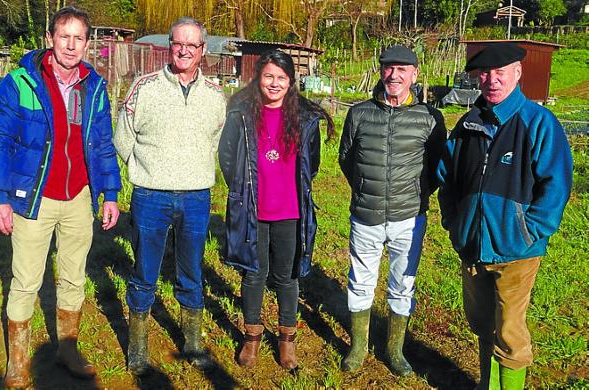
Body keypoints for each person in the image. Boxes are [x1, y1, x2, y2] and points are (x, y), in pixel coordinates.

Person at [0, 6, 121, 387]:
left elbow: (103, 144)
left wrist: (109, 192)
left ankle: (68, 348)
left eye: (79, 38)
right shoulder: (20, 83)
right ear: (50, 40)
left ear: (87, 43)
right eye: (64, 36)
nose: (71, 45)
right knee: (26, 279)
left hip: (79, 197)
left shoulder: (93, 86)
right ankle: (19, 361)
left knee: (74, 277)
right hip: (33, 198)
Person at [437, 42, 572, 389]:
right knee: (482, 324)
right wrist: (454, 223)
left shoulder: (538, 123)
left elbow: (555, 186)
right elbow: (447, 178)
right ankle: (488, 384)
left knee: (510, 332)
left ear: (517, 73)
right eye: (485, 73)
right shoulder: (468, 124)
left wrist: (528, 231)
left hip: (516, 253)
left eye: (500, 73)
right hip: (472, 247)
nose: (492, 80)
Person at [114, 17, 226, 374]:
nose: (184, 50)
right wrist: (147, 169)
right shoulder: (144, 87)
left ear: (202, 51)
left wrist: (193, 168)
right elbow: (123, 138)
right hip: (151, 195)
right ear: (169, 45)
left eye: (192, 45)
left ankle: (192, 341)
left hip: (196, 197)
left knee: (191, 268)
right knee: (145, 269)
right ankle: (138, 345)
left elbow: (216, 141)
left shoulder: (215, 95)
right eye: (178, 43)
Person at [218, 49, 334, 370]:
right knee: (254, 275)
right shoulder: (241, 114)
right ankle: (252, 338)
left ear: (291, 83)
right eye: (268, 76)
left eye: (281, 78)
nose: (274, 83)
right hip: (253, 210)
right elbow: (227, 157)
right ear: (258, 78)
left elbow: (312, 164)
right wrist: (242, 188)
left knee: (286, 277)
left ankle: (286, 341)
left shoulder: (303, 119)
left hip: (290, 212)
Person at [339, 45, 446, 376]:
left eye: (402, 69)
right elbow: (346, 157)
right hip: (366, 215)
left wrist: (415, 194)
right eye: (388, 68)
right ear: (381, 72)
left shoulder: (430, 118)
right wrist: (365, 187)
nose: (394, 75)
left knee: (403, 284)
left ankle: (394, 349)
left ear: (414, 74)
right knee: (360, 281)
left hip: (409, 218)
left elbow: (437, 166)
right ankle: (358, 347)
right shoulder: (359, 114)